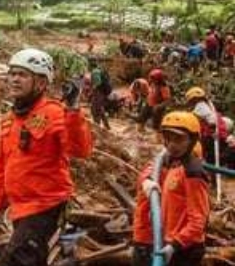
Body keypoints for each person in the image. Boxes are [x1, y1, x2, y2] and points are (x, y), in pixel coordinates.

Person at [0, 48, 93, 266]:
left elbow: (80, 150)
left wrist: (73, 108)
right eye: (12, 73)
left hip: (45, 206)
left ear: (41, 83)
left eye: (22, 75)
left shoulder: (54, 112)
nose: (14, 79)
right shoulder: (7, 121)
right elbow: (0, 168)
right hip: (20, 209)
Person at [131, 111, 210, 266]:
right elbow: (149, 170)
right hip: (167, 240)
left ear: (192, 140)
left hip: (183, 248)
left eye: (179, 139)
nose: (172, 144)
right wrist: (146, 181)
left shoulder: (192, 173)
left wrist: (175, 246)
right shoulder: (170, 163)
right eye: (168, 138)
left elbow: (198, 221)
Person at [185, 86, 226, 166]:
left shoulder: (201, 106)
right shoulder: (207, 106)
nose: (190, 104)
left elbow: (211, 118)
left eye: (190, 101)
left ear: (194, 99)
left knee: (210, 159)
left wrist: (212, 129)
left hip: (212, 137)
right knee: (211, 158)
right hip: (215, 137)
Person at [88, 58, 112, 131]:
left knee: (95, 109)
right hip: (102, 92)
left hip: (99, 92)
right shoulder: (99, 70)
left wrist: (91, 91)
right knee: (100, 108)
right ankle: (106, 126)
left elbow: (97, 83)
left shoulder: (95, 72)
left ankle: (97, 126)